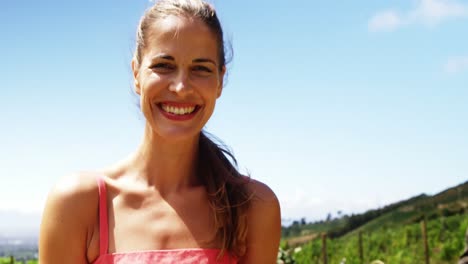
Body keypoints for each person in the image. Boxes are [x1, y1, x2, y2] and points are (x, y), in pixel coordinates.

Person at [38, 0, 281, 263]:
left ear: (220, 81)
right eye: (164, 65)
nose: (181, 87)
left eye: (201, 69)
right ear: (136, 74)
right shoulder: (79, 204)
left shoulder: (253, 208)